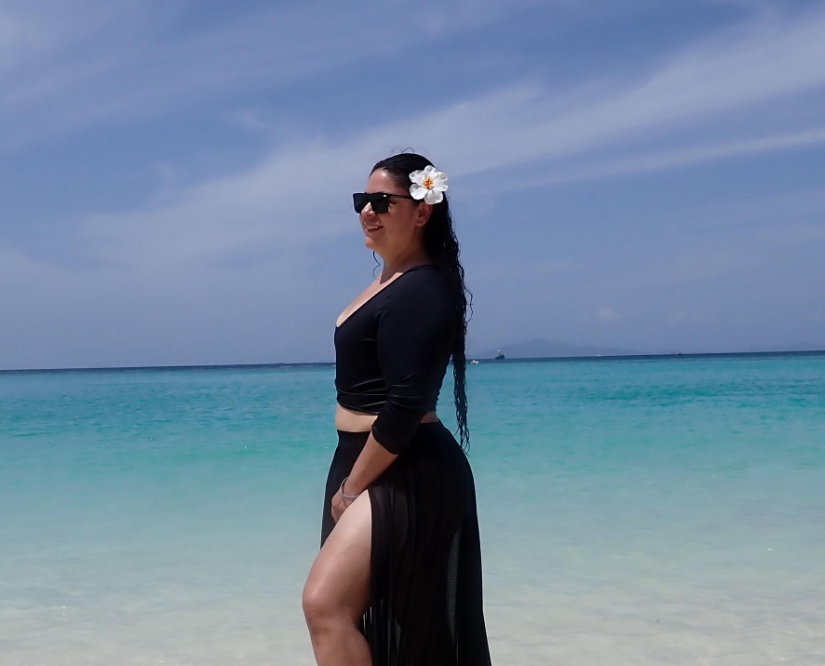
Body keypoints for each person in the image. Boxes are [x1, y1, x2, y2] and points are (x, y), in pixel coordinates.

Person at [301, 152, 493, 666]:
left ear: (422, 210)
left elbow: (406, 404)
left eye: (381, 202)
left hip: (405, 468)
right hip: (366, 461)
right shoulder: (388, 282)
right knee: (396, 627)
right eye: (362, 202)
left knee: (325, 604)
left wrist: (352, 487)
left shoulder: (425, 289)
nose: (368, 211)